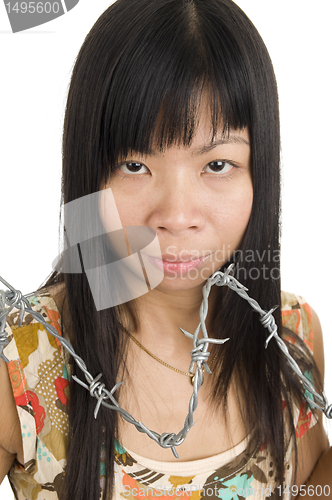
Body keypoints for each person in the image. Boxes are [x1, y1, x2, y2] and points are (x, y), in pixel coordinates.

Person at [0, 0, 331, 499]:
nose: (176, 216)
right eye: (134, 165)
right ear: (87, 171)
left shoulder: (289, 333)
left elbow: (306, 487)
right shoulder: (23, 363)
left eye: (217, 165)